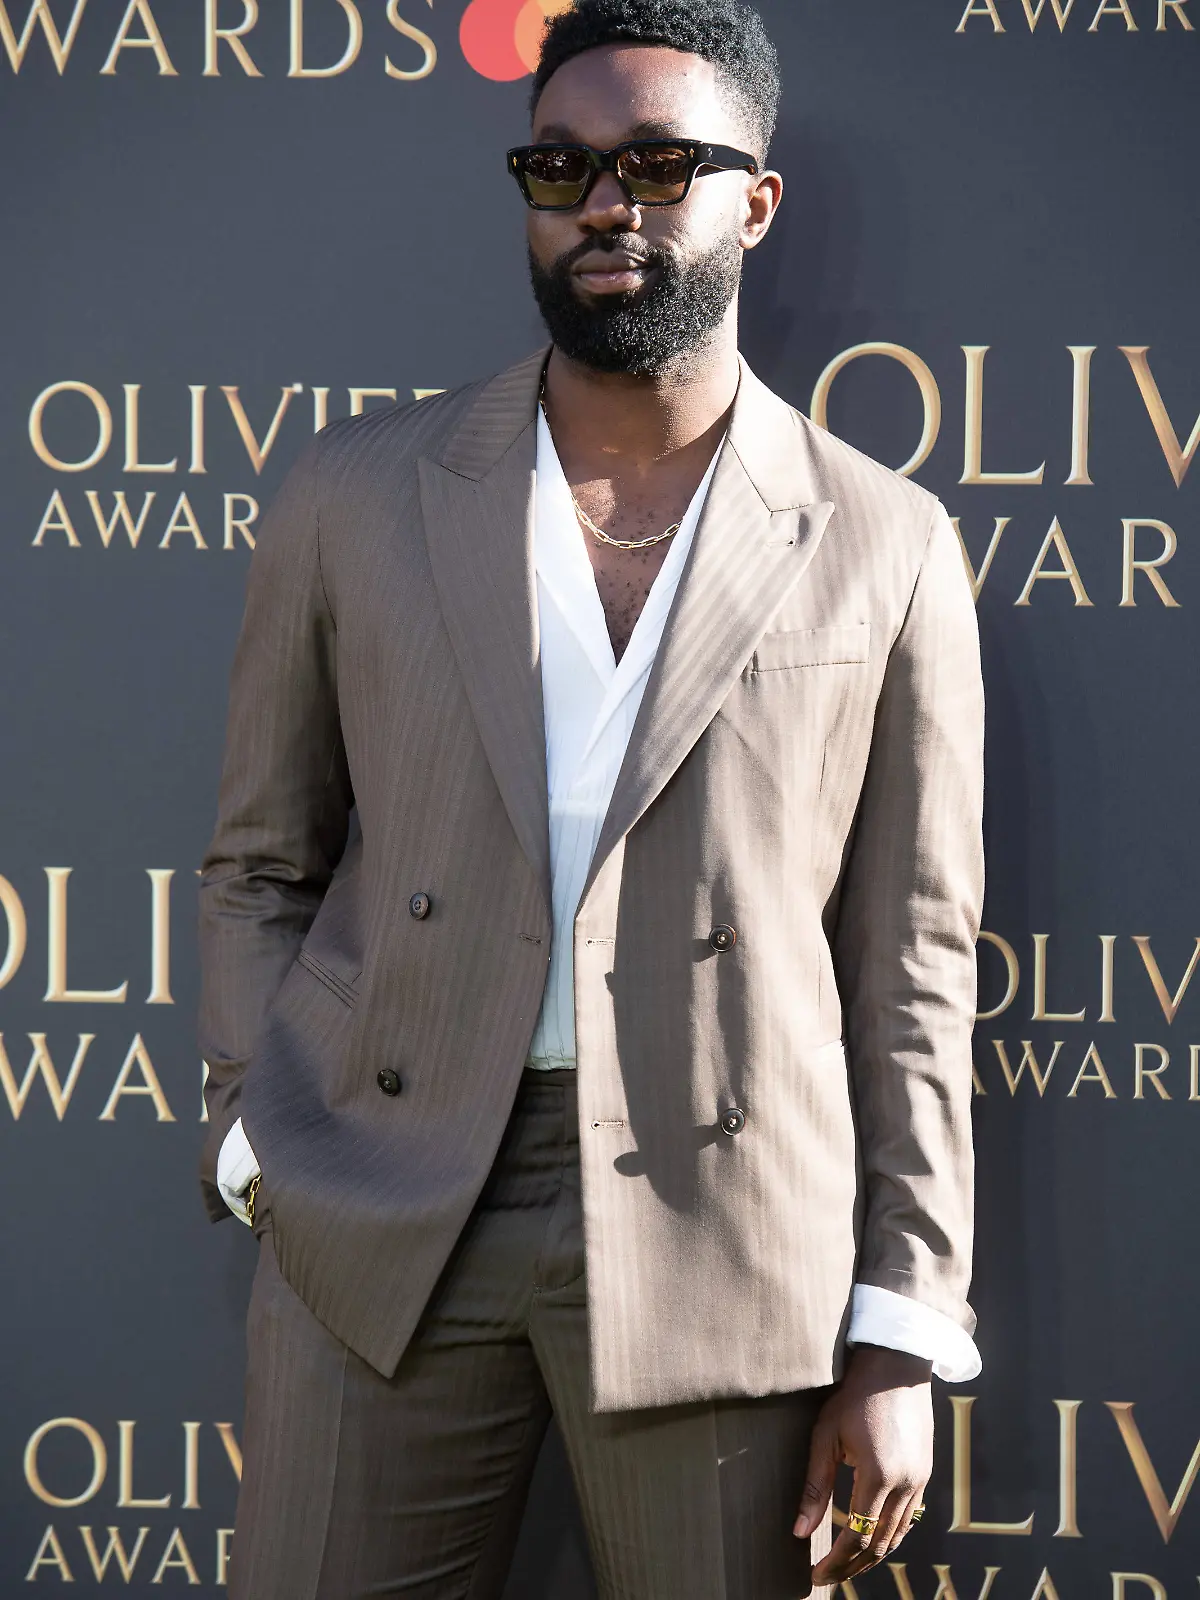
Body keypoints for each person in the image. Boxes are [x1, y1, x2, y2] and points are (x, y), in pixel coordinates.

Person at [198, 1, 985, 1594]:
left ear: (753, 201)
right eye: (560, 167)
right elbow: (259, 860)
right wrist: (252, 1135)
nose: (605, 204)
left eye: (658, 163)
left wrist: (900, 1325)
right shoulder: (355, 495)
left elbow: (914, 957)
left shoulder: (883, 540)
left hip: (730, 1227)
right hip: (382, 1198)